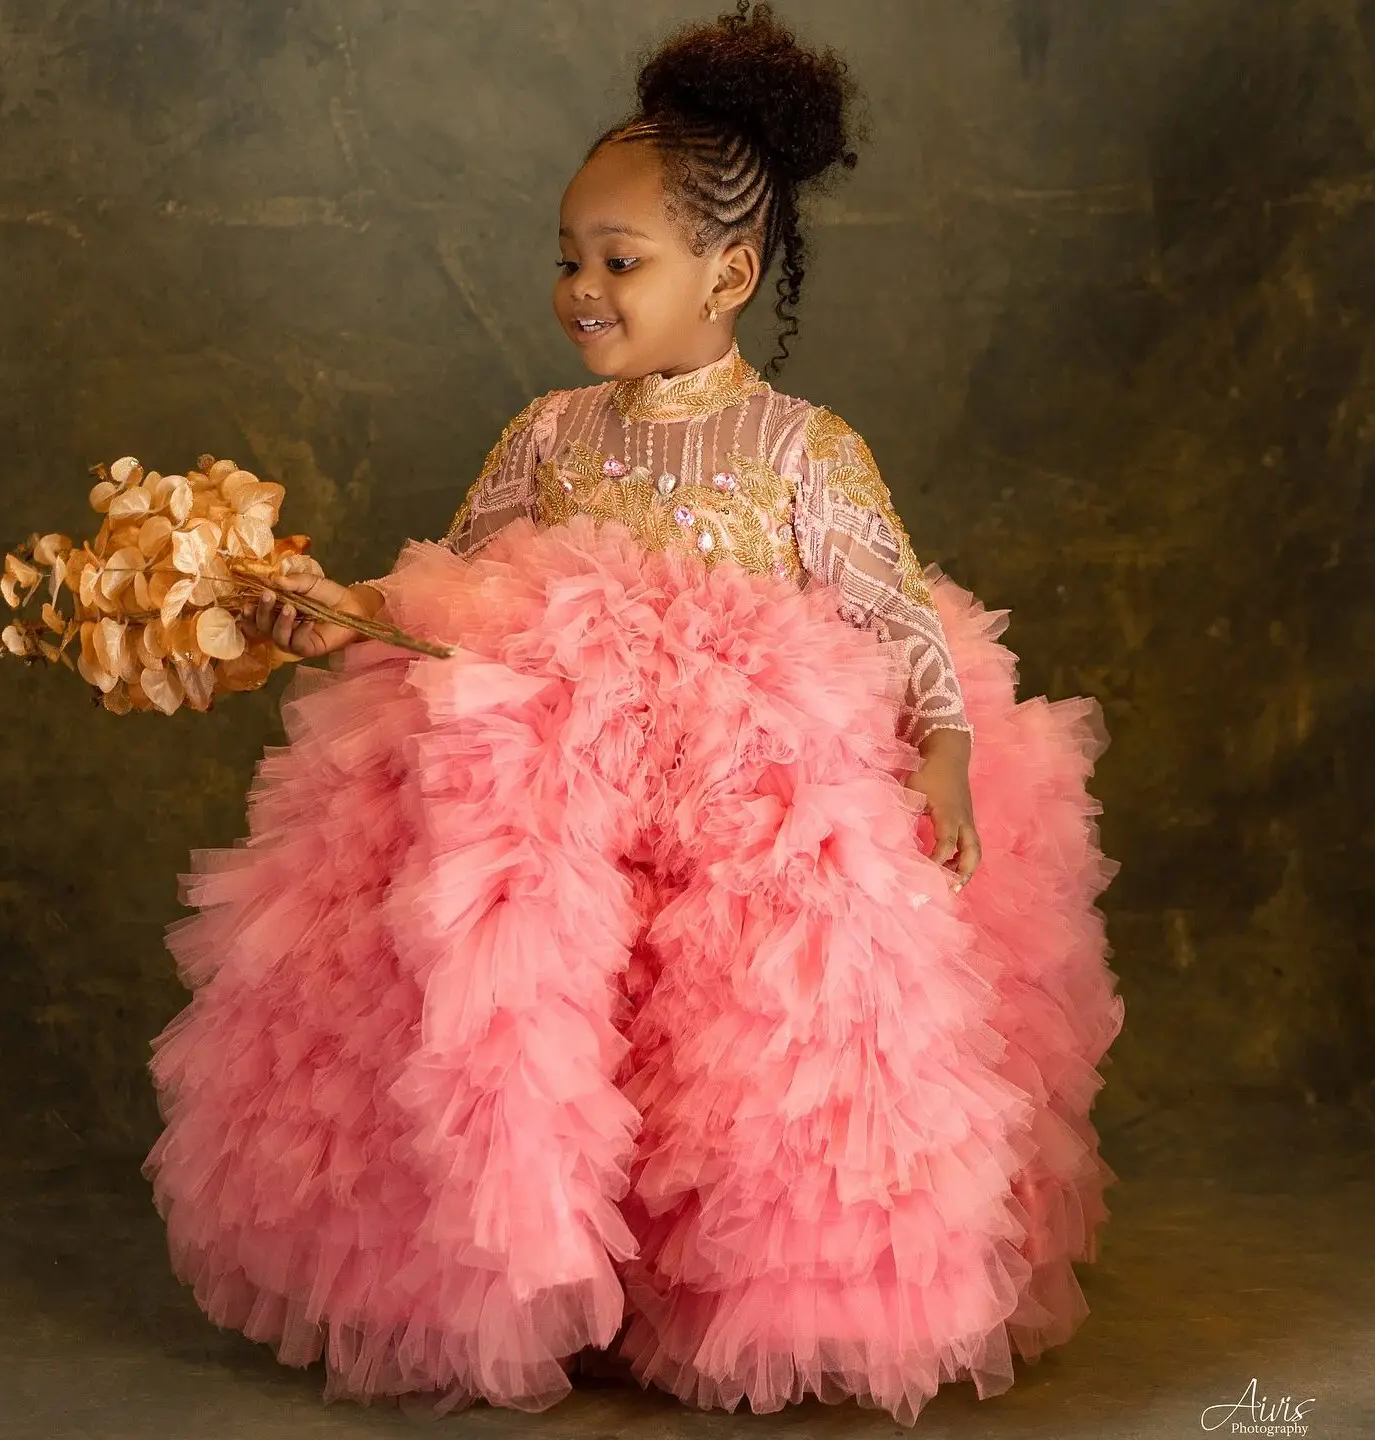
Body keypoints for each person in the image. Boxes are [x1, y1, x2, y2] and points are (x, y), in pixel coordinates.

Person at [143, 1, 1124, 1423]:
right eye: (568, 260)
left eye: (620, 262)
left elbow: (902, 621)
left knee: (724, 1055)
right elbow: (449, 582)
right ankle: (549, 1272)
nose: (581, 290)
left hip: (745, 812)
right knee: (547, 1004)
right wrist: (327, 612)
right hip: (571, 810)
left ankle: (708, 1289)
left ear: (726, 273)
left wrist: (952, 755)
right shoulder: (549, 435)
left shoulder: (803, 451)